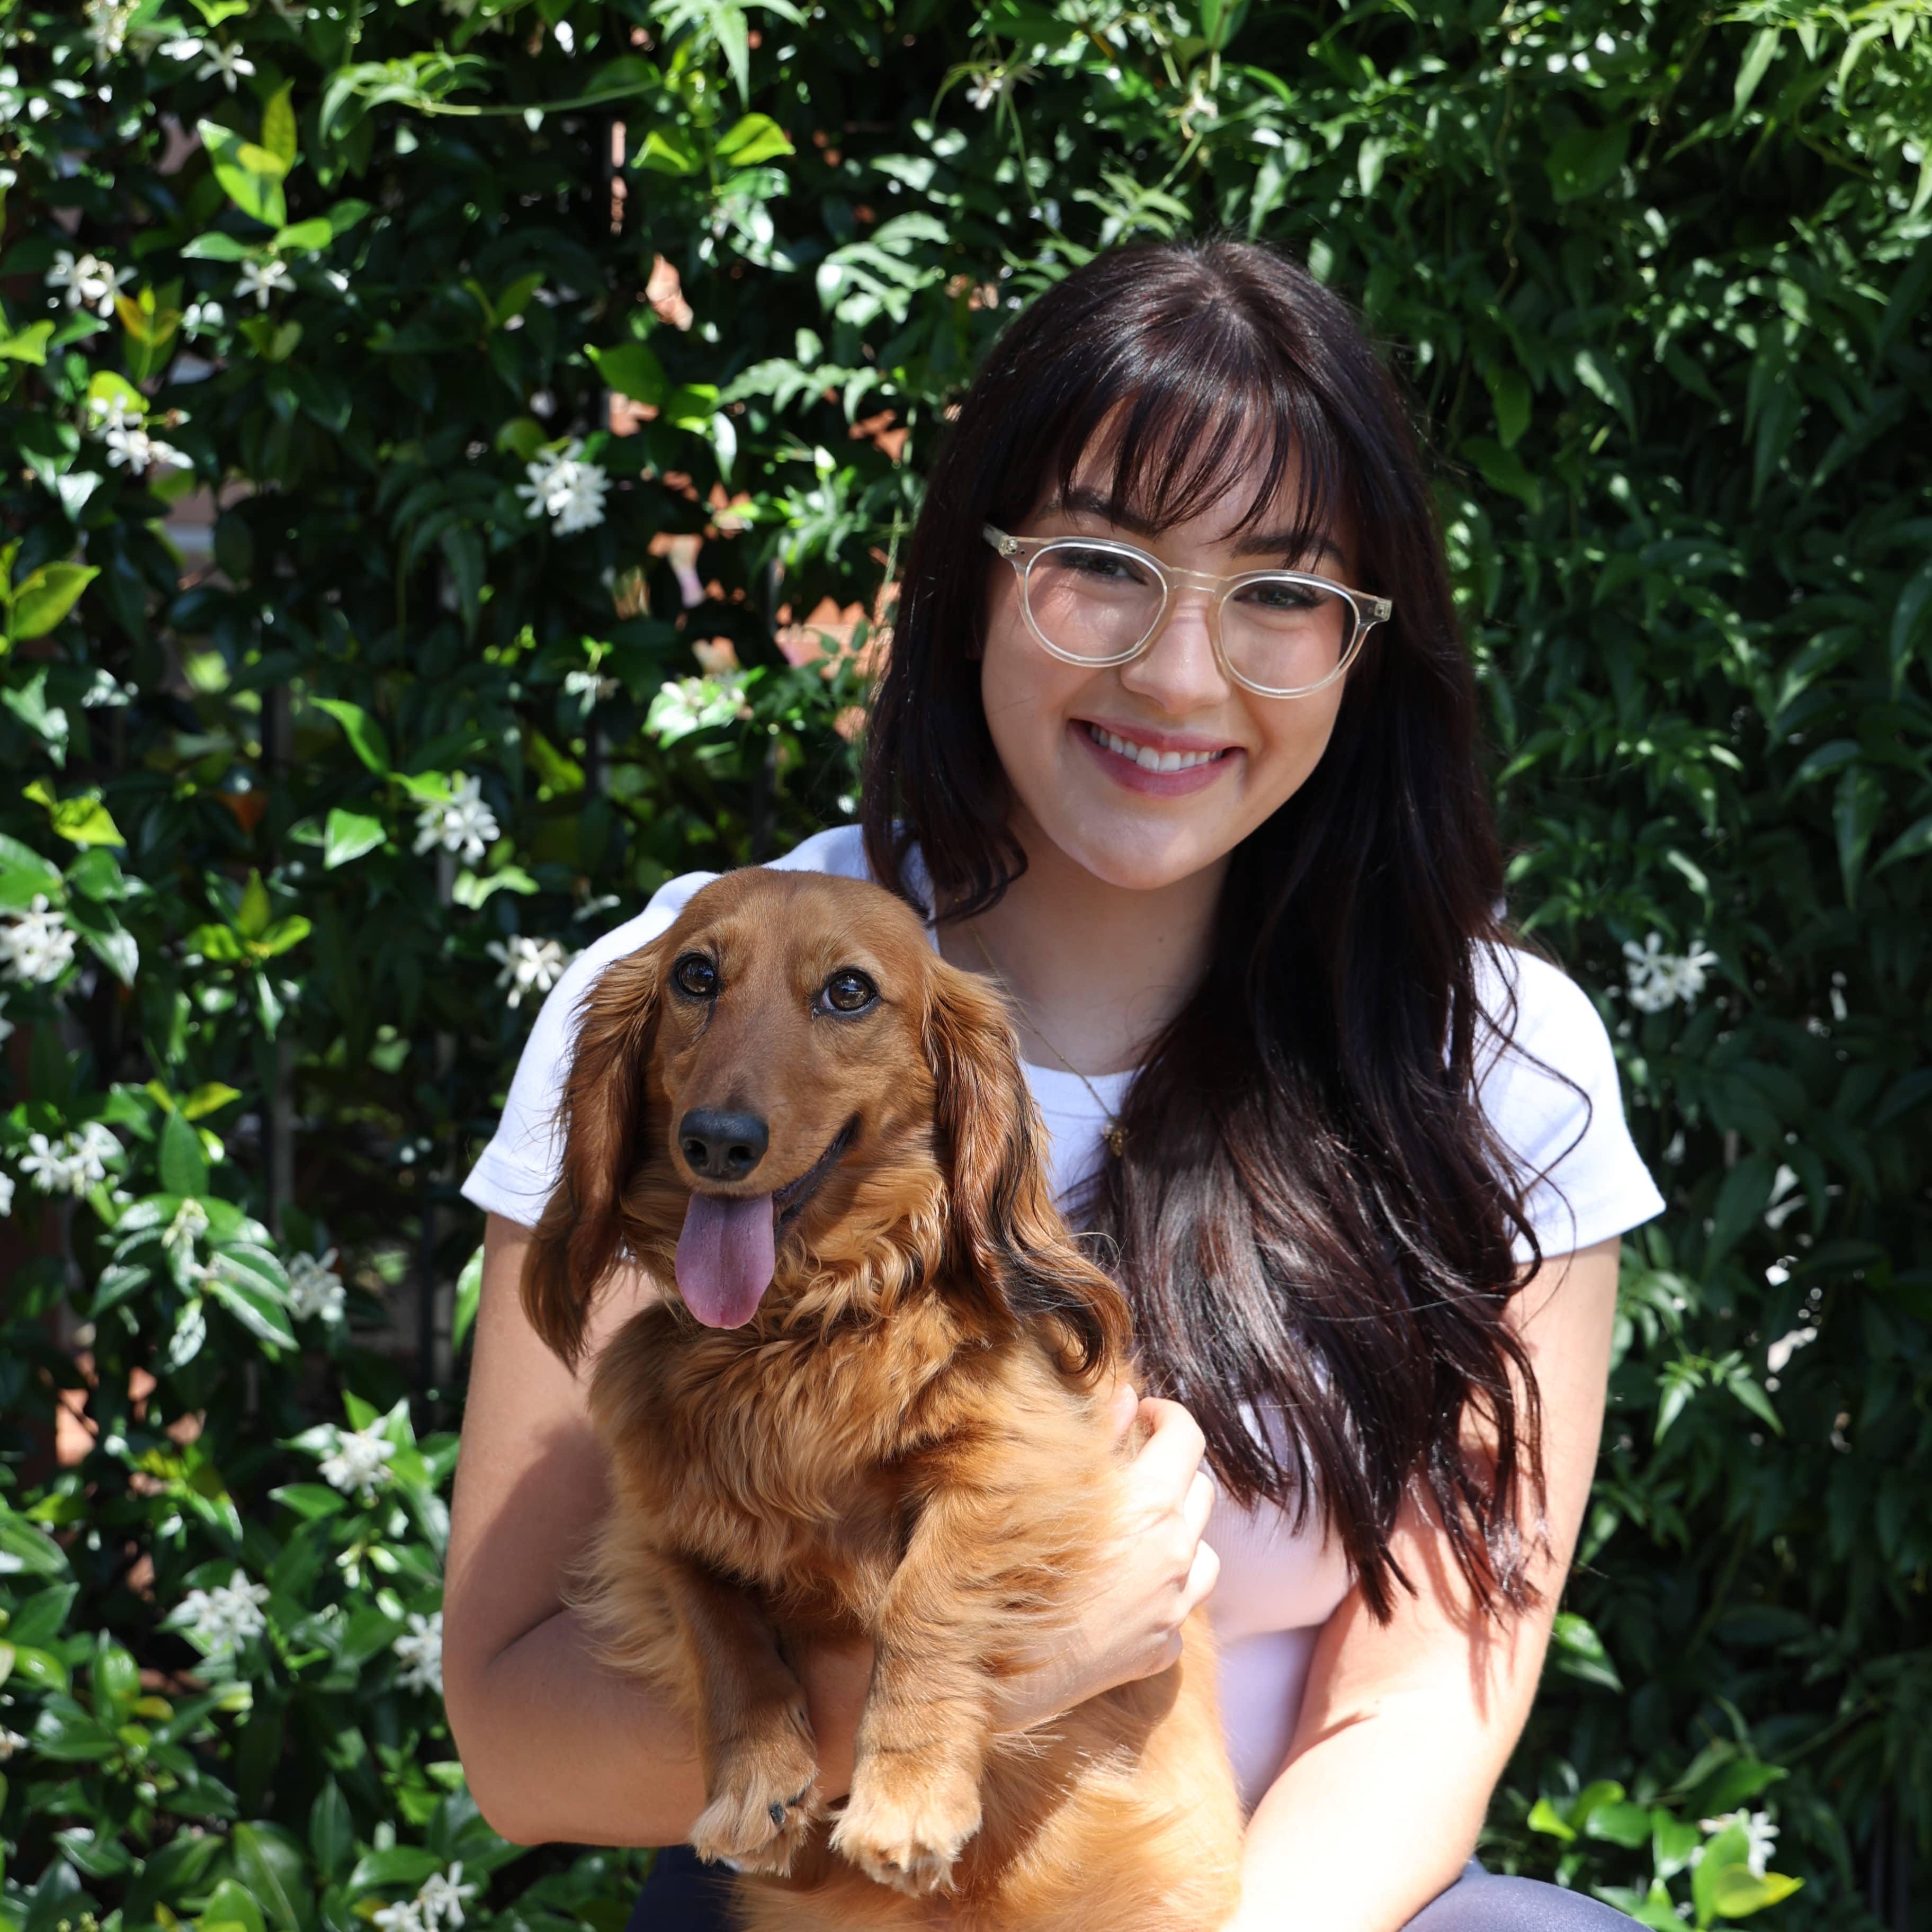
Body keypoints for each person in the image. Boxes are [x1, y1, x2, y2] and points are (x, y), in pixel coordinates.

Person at [443, 237, 1663, 1930]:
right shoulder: (690, 1011)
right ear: (973, 577)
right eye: (1099, 563)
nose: (1179, 675)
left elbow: (1415, 1717)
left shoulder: (1494, 1060)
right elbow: (517, 1738)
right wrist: (982, 1675)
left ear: (1365, 648)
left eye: (1282, 592)